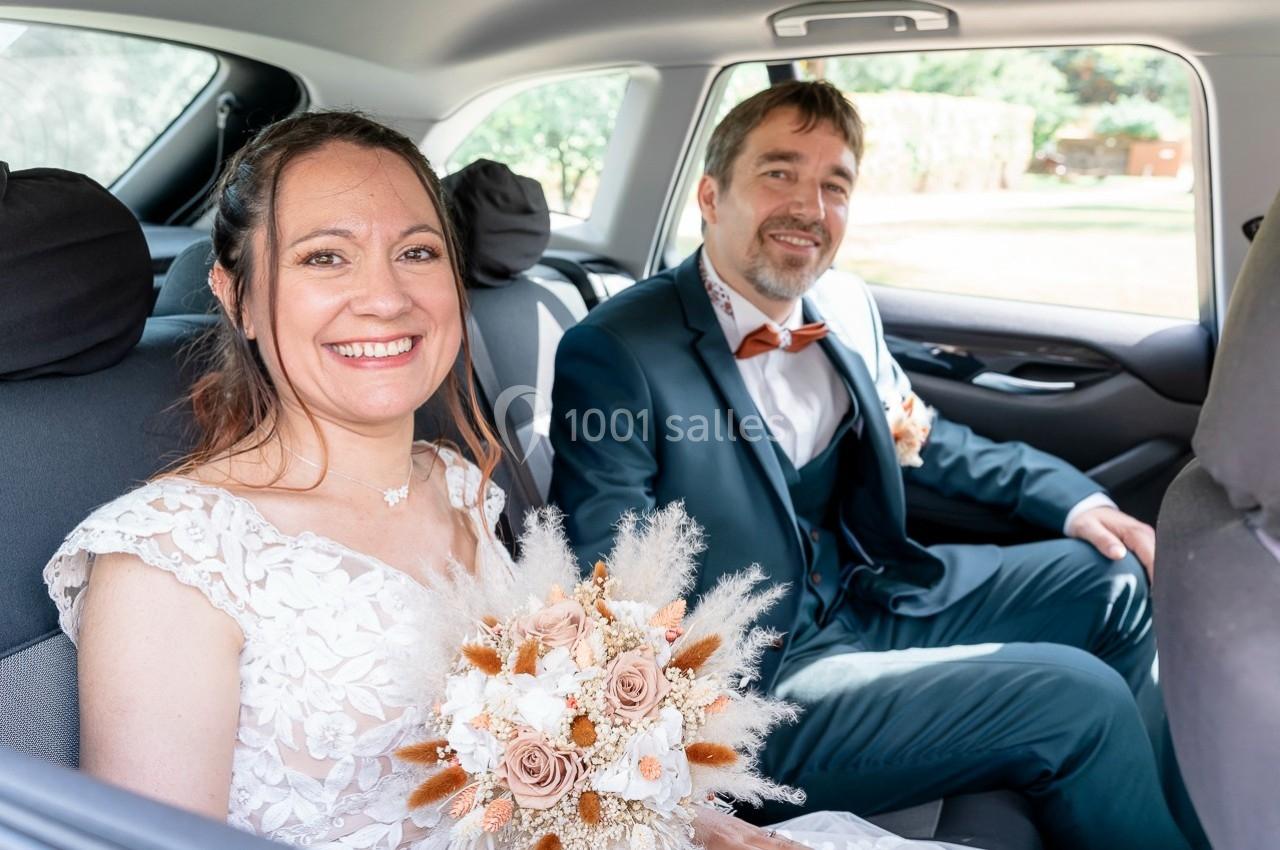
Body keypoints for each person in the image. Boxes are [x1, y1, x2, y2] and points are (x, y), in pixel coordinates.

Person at [43, 111, 975, 850]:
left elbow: (565, 741)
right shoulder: (170, 562)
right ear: (237, 294)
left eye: (417, 252)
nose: (386, 297)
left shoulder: (457, 486)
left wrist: (700, 820)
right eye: (325, 256)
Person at [548, 81, 1206, 850]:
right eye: (780, 173)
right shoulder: (616, 351)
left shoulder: (843, 306)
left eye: (835, 185)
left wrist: (1078, 503)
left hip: (866, 596)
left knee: (1114, 578)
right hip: (755, 690)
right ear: (711, 195)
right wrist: (655, 768)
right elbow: (605, 574)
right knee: (1078, 697)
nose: (810, 207)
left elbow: (924, 438)